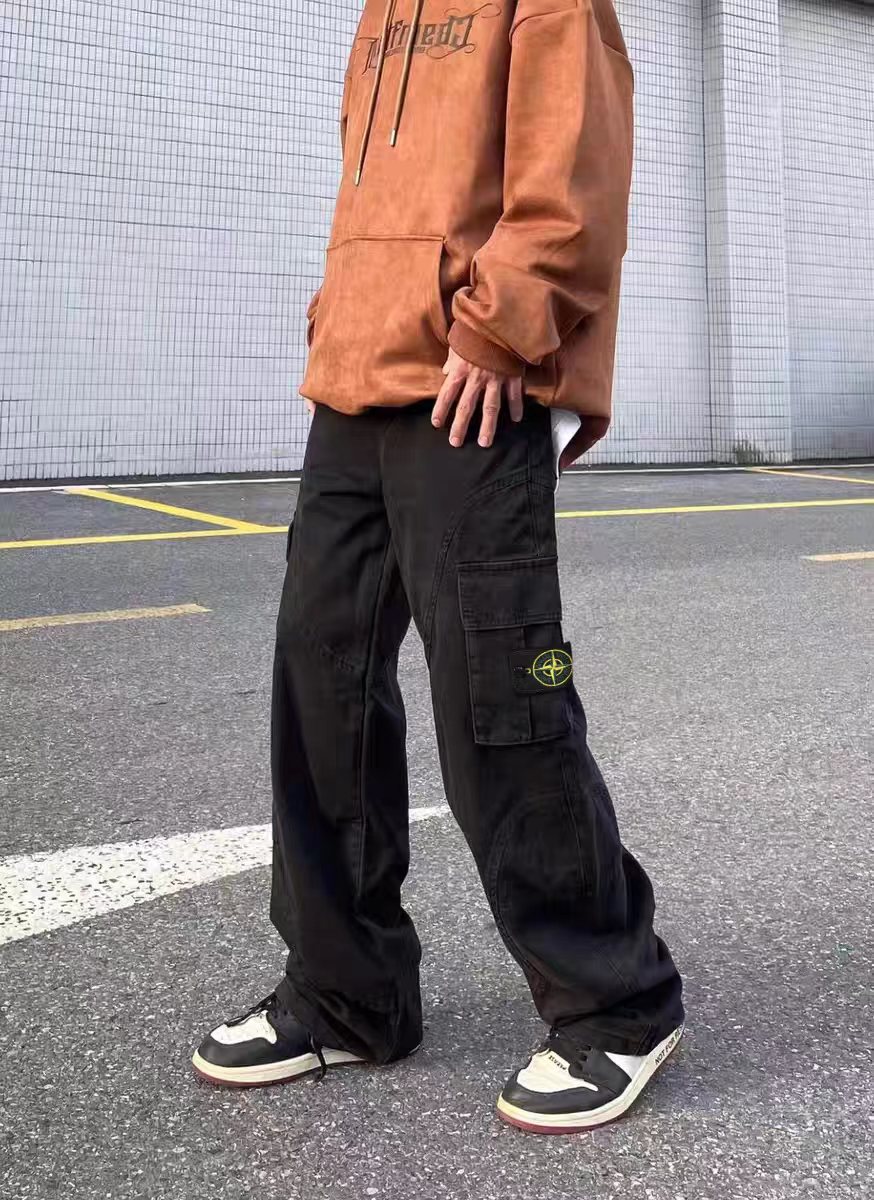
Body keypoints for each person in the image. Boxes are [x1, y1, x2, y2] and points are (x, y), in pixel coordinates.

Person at [193, 0, 684, 1133]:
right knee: (319, 687)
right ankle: (346, 991)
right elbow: (378, 195)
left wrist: (502, 324)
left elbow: (575, 168)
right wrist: (337, 316)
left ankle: (617, 1001)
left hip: (475, 385)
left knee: (499, 701)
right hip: (353, 384)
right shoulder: (381, 12)